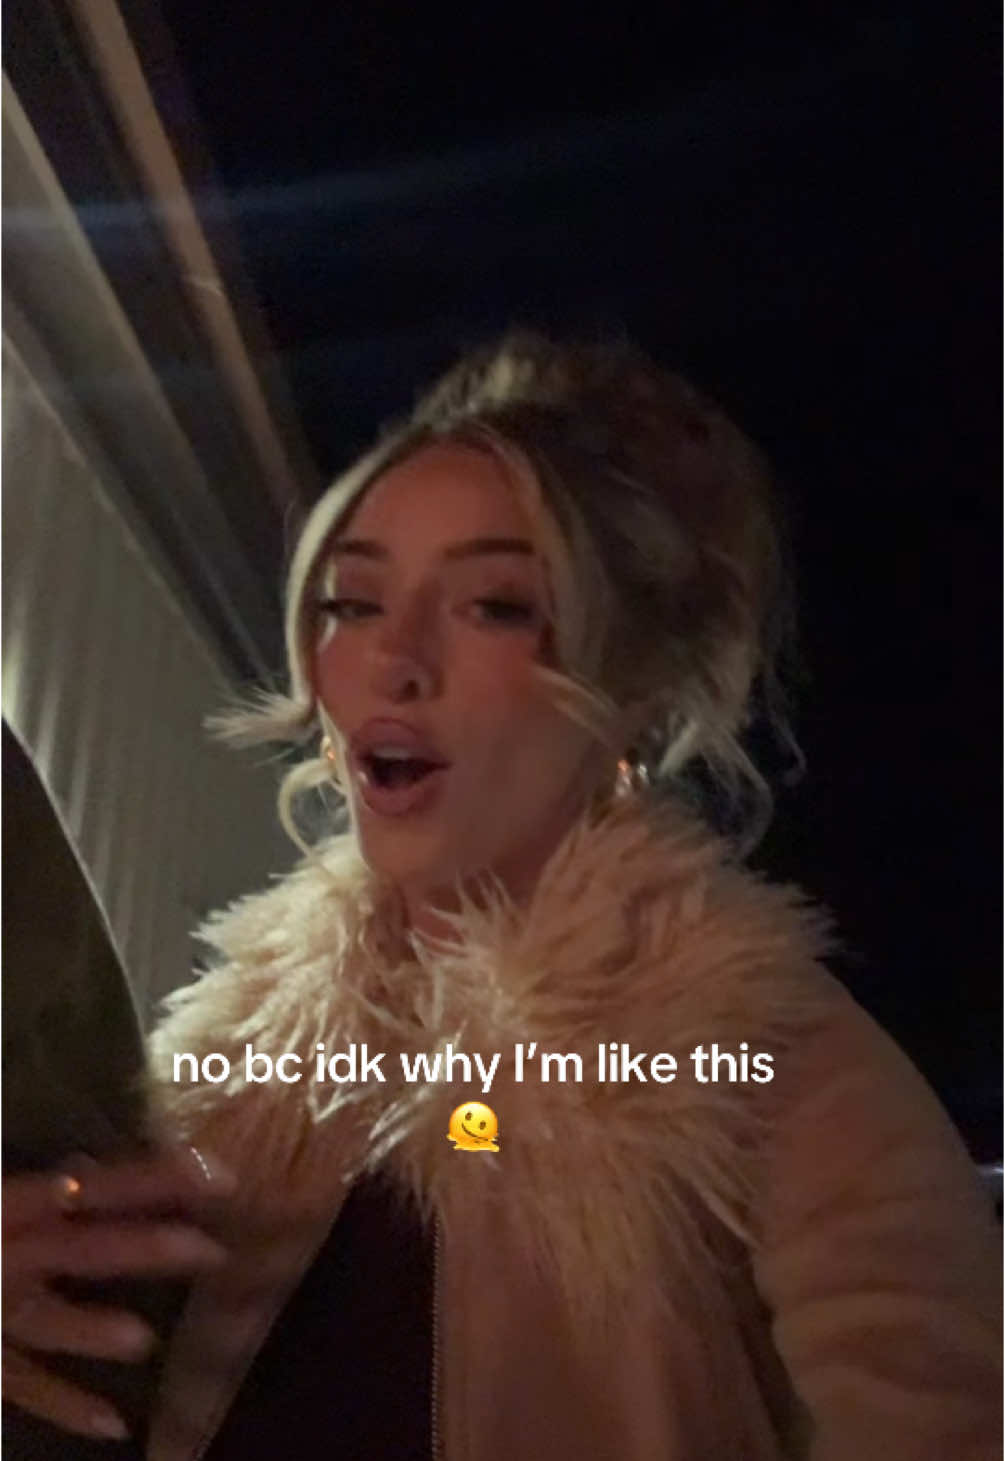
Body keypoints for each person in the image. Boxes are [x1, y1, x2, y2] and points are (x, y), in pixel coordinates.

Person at [4, 330, 1000, 1459]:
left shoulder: (771, 1066)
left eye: (492, 605)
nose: (396, 658)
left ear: (634, 690)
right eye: (352, 601)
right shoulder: (234, 1061)